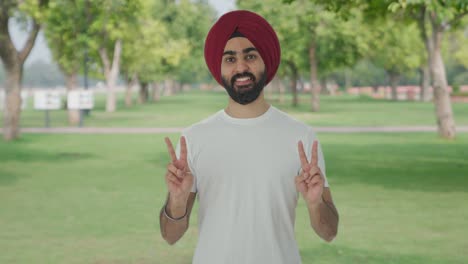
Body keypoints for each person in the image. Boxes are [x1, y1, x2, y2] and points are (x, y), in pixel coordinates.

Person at [159, 10, 339, 264]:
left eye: (250, 56)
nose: (241, 67)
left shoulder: (302, 137)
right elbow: (170, 236)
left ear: (265, 60)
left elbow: (329, 232)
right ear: (219, 67)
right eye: (230, 59)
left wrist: (315, 203)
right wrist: (177, 201)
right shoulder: (194, 138)